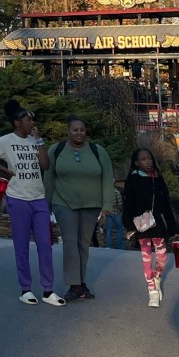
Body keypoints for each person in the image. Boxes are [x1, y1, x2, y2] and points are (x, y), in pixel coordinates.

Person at [0, 100, 65, 307]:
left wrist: (40, 141)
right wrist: (3, 169)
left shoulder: (35, 141)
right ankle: (25, 289)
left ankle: (48, 290)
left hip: (39, 198)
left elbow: (45, 165)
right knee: (22, 245)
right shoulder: (5, 141)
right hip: (17, 198)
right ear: (17, 122)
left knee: (45, 245)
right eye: (28, 119)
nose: (31, 122)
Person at [43, 115, 114, 300]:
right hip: (63, 203)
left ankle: (81, 283)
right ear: (68, 131)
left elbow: (107, 179)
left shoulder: (98, 151)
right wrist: (45, 205)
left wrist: (106, 207)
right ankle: (74, 284)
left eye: (82, 130)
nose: (79, 133)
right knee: (69, 242)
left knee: (83, 243)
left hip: (91, 205)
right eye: (75, 130)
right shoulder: (56, 150)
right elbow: (49, 179)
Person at [121, 148, 178, 307]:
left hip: (157, 222)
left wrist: (172, 226)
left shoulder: (158, 177)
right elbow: (128, 203)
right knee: (146, 257)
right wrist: (129, 225)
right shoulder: (133, 179)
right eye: (143, 159)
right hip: (141, 224)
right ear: (136, 163)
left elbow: (165, 202)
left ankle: (157, 276)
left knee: (162, 256)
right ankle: (152, 290)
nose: (148, 162)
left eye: (149, 159)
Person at [104, 180, 126, 250]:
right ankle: (120, 246)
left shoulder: (106, 193)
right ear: (114, 184)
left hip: (108, 212)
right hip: (116, 213)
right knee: (120, 230)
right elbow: (120, 204)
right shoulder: (116, 192)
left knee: (109, 230)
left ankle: (108, 246)